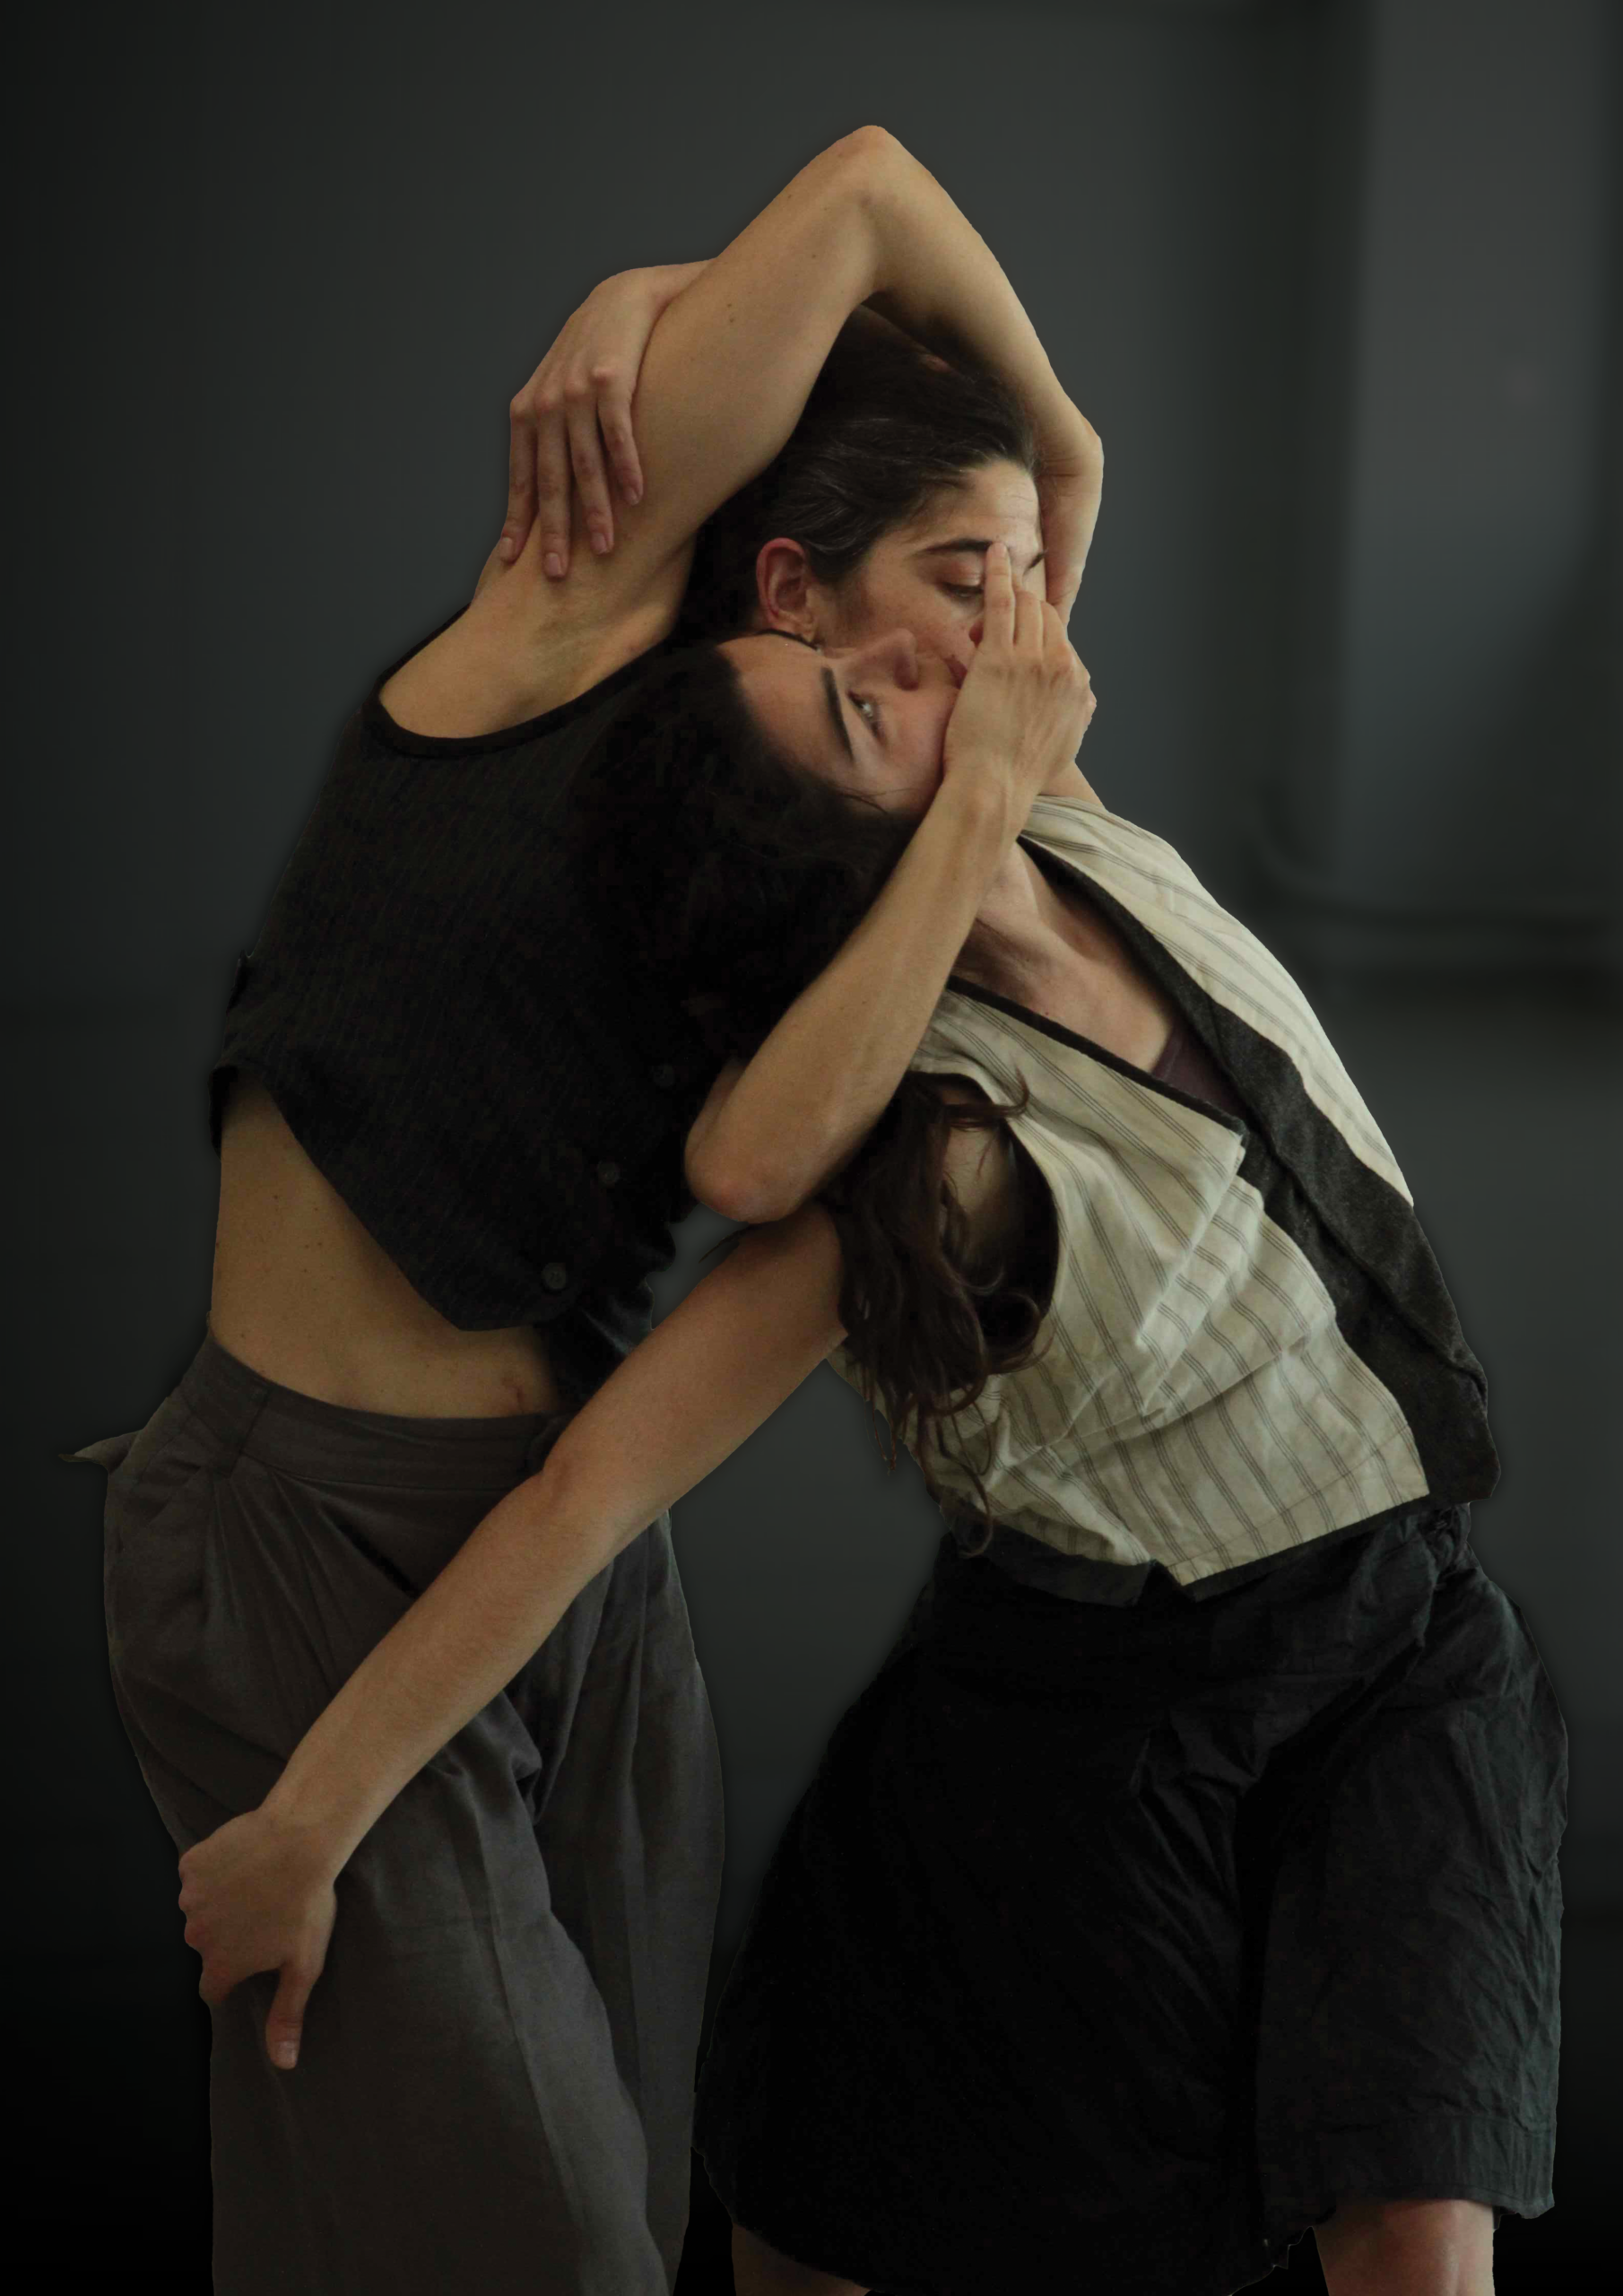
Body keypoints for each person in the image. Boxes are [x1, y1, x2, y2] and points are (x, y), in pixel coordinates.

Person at [166, 345, 1564, 2296]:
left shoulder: (1060, 814)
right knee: (842, 2222)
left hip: (1409, 1639)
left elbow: (1015, 416)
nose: (937, 655)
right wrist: (306, 1825)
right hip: (1102, 1714)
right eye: (859, 704)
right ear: (838, 858)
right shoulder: (927, 1155)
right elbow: (589, 1489)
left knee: (1421, 2218)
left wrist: (641, 314)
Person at [72, 127, 1102, 2296]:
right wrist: (1067, 446)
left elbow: (755, 1165)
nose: (998, 646)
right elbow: (863, 191)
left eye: (1024, 606)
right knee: (543, 2246)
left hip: (566, 1562)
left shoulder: (874, 861)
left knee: (615, 2206)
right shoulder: (578, 612)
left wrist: (974, 795)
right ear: (792, 577)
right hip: (300, 1532)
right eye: (964, 580)